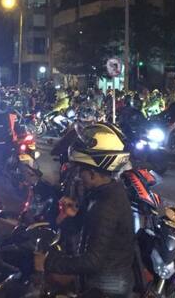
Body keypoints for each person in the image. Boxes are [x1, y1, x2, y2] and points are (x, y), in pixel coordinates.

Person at [36, 122, 136, 298]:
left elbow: (92, 261)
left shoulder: (108, 204)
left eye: (81, 170)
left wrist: (48, 263)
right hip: (99, 281)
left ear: (93, 174)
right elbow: (89, 229)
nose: (78, 176)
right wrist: (73, 216)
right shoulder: (101, 193)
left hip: (107, 287)